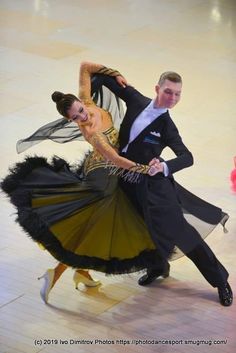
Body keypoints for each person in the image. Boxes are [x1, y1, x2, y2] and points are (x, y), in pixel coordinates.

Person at [1, 62, 162, 304]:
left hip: (100, 168)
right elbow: (117, 159)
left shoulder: (87, 101)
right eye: (75, 118)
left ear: (81, 100)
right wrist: (145, 170)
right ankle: (59, 273)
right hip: (104, 179)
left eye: (80, 110)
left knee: (91, 228)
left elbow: (85, 66)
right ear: (70, 120)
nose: (82, 117)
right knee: (98, 227)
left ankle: (80, 272)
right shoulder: (92, 134)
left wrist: (114, 73)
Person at [89, 62, 233, 307]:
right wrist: (103, 83)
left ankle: (220, 280)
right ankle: (157, 267)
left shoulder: (167, 126)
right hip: (125, 181)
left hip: (155, 187)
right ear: (157, 88)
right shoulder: (136, 100)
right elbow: (103, 79)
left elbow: (187, 157)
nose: (173, 98)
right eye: (168, 92)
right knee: (140, 229)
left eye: (177, 94)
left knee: (181, 232)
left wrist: (164, 167)